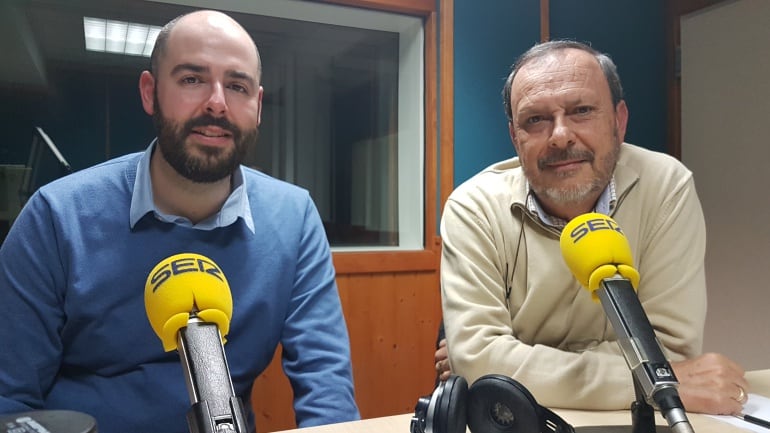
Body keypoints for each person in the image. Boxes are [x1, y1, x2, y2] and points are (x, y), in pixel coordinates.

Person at [0, 10, 359, 433]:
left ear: (257, 106)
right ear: (151, 92)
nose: (217, 103)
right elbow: (10, 401)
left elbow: (327, 392)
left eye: (237, 86)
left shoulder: (293, 217)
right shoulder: (55, 217)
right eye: (192, 79)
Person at [437, 40, 748, 416]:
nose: (560, 136)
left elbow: (669, 350)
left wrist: (516, 361)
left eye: (581, 111)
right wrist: (656, 379)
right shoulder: (473, 207)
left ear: (619, 121)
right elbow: (481, 363)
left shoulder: (667, 186)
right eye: (535, 119)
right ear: (514, 138)